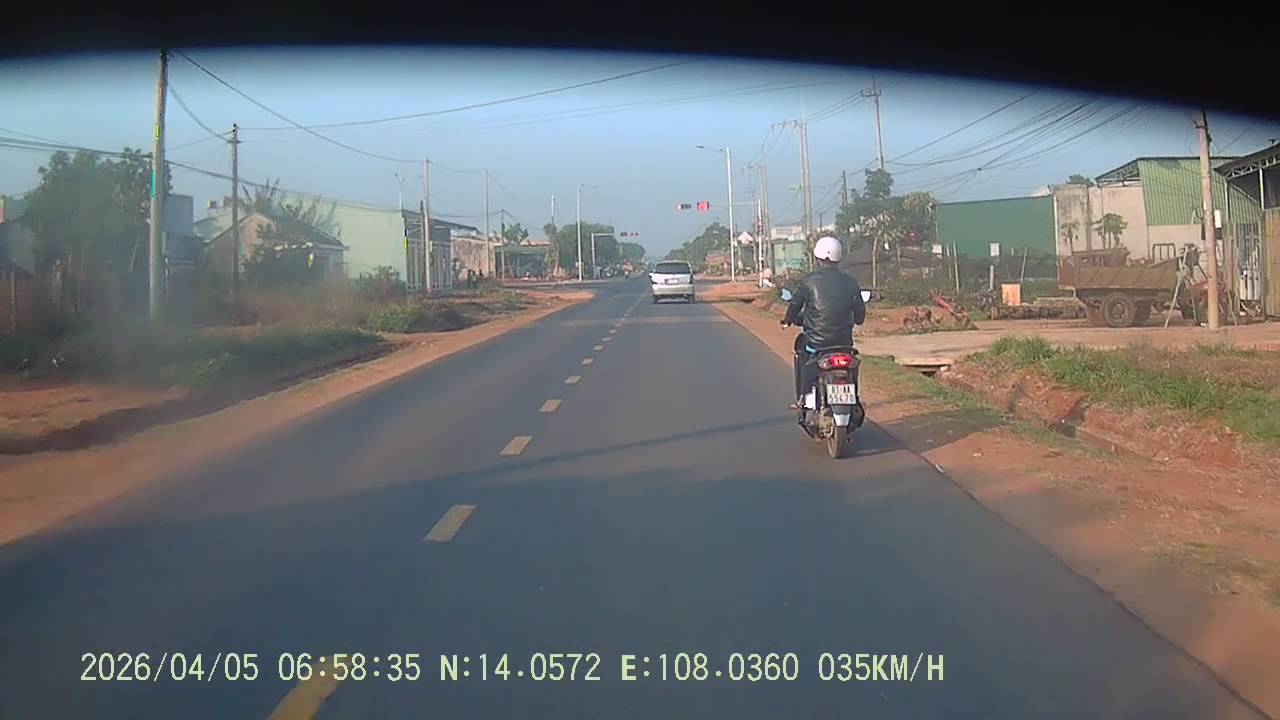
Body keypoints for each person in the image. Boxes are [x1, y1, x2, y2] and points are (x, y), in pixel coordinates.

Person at [781, 236, 867, 416]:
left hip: (817, 344)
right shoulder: (850, 281)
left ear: (817, 257)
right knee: (853, 364)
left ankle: (803, 397)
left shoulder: (808, 281)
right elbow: (860, 312)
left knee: (803, 354)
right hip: (844, 344)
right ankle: (854, 399)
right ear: (839, 257)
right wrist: (858, 320)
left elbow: (794, 305)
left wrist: (788, 319)